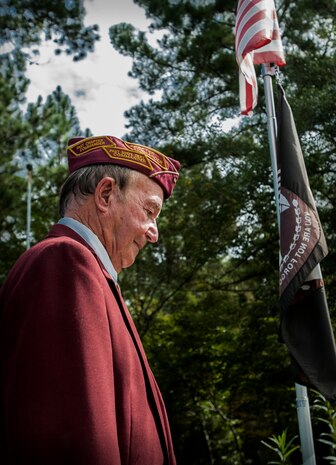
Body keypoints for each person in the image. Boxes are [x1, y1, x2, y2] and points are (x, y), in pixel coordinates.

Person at [0, 135, 181, 465]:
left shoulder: (90, 274)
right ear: (106, 194)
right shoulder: (65, 261)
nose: (154, 232)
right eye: (150, 211)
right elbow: (71, 435)